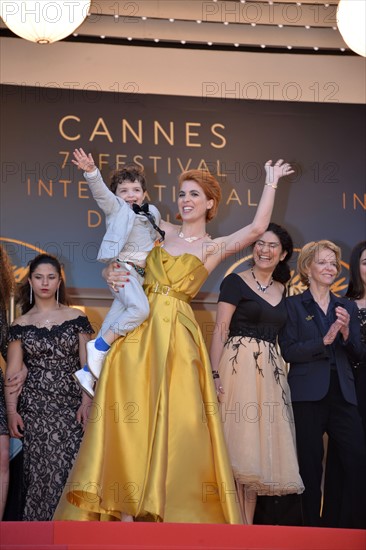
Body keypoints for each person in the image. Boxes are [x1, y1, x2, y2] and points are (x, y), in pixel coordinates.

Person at [54, 159, 294, 523]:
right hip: (137, 332)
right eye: (181, 194)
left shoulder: (213, 248)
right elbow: (122, 235)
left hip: (178, 340)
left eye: (194, 195)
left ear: (211, 203)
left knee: (176, 423)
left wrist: (271, 181)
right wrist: (111, 269)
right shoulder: (158, 228)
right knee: (128, 419)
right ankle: (123, 511)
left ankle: (168, 512)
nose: (185, 200)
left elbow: (258, 227)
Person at [209, 223, 304, 525]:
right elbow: (220, 330)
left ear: (283, 253)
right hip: (237, 368)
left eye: (272, 245)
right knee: (236, 449)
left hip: (269, 376)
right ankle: (232, 526)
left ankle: (247, 528)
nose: (265, 250)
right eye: (260, 244)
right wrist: (213, 374)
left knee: (255, 456)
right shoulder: (234, 282)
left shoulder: (282, 289)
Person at [278, 240, 366, 529]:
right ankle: (311, 532)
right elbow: (289, 350)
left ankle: (353, 528)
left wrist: (344, 335)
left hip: (343, 393)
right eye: (323, 262)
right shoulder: (291, 305)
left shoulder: (346, 306)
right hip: (307, 396)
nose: (329, 268)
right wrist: (324, 340)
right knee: (310, 468)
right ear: (307, 268)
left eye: (333, 263)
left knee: (357, 460)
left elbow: (357, 352)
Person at [5, 253, 94, 521]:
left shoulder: (77, 318)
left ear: (59, 281)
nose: (45, 283)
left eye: (51, 277)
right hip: (34, 412)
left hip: (71, 410)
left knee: (69, 472)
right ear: (30, 281)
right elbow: (12, 373)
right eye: (39, 277)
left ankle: (71, 534)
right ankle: (39, 539)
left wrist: (86, 402)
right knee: (38, 478)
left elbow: (88, 366)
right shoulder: (19, 325)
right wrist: (11, 412)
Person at [72, 148, 163, 398]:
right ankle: (100, 346)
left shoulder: (152, 212)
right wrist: (91, 172)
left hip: (141, 275)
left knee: (113, 320)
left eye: (135, 190)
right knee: (140, 310)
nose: (130, 195)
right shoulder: (116, 208)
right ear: (116, 195)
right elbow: (100, 192)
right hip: (122, 271)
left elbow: (158, 238)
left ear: (145, 193)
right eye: (123, 191)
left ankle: (87, 372)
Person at [322, 240, 366, 527]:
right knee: (346, 456)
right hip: (352, 387)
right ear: (356, 267)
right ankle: (342, 527)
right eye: (365, 262)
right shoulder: (343, 304)